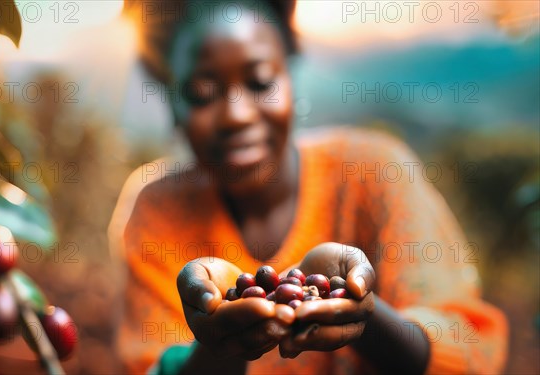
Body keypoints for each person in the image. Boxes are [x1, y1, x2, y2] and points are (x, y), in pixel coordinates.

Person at [109, 1, 508, 374]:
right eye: (201, 93)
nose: (236, 114)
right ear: (171, 104)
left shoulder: (375, 173)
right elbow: (150, 361)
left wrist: (366, 316)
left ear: (290, 79)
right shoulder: (156, 211)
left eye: (260, 82)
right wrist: (216, 348)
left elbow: (468, 345)